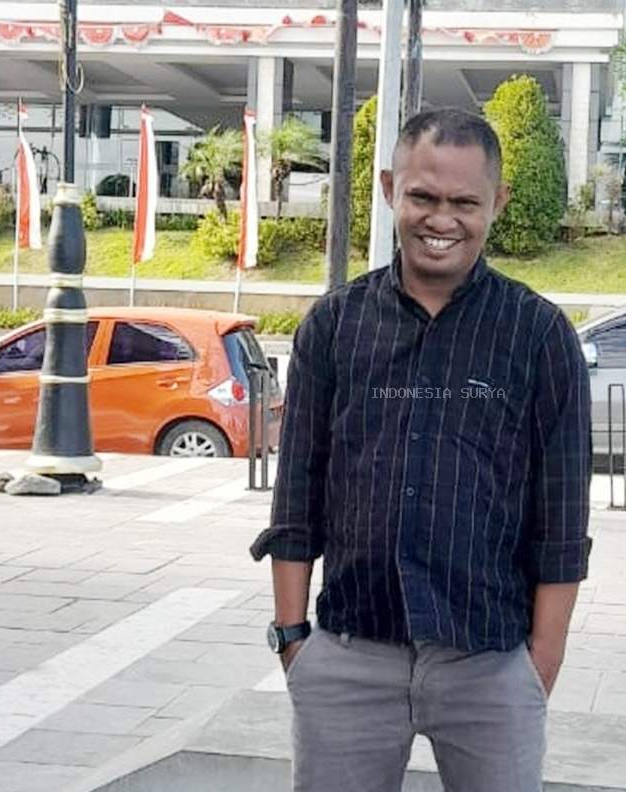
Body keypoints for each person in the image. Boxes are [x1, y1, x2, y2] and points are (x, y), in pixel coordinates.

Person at [250, 107, 591, 792]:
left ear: (497, 202)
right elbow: (298, 494)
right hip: (350, 652)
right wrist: (293, 639)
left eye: (465, 202)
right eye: (423, 197)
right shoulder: (335, 325)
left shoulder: (538, 336)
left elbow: (561, 519)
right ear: (389, 190)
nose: (442, 220)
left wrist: (542, 661)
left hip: (490, 661)